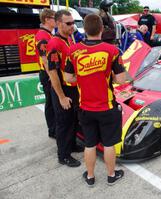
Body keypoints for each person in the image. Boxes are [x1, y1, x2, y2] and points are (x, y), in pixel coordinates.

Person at [64, 14, 128, 186]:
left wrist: (85, 79)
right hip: (107, 108)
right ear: (101, 29)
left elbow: (68, 78)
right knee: (108, 144)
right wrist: (107, 77)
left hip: (85, 107)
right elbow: (121, 80)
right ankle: (111, 175)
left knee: (90, 144)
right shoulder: (113, 51)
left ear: (85, 29)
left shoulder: (73, 50)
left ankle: (90, 177)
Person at [47, 10, 81, 167]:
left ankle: (72, 145)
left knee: (73, 119)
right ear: (59, 23)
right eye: (69, 23)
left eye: (73, 22)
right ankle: (63, 155)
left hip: (73, 87)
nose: (72, 26)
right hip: (62, 89)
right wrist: (61, 96)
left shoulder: (70, 38)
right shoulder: (54, 43)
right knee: (64, 122)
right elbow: (52, 72)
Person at [35, 8, 56, 139]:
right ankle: (52, 130)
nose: (56, 20)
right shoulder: (43, 35)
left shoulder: (48, 34)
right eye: (54, 18)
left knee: (52, 103)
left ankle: (53, 128)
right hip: (47, 73)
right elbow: (45, 59)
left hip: (48, 73)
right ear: (47, 19)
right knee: (51, 103)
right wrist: (52, 76)